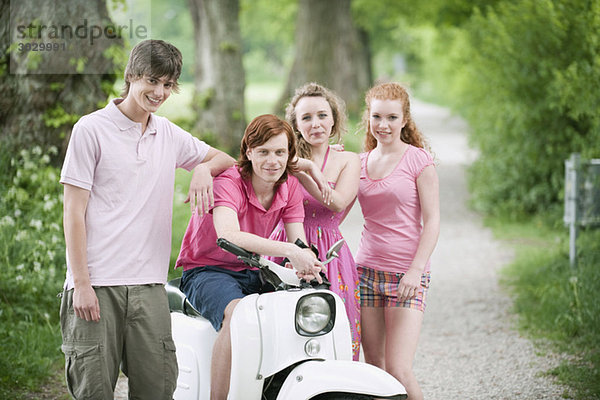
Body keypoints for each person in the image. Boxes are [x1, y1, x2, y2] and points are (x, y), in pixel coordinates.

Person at [59, 39, 235, 399]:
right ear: (131, 76)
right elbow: (73, 211)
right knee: (93, 391)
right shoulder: (91, 129)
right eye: (152, 81)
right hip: (98, 282)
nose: (159, 92)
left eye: (168, 85)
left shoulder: (167, 134)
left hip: (149, 285)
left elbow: (226, 160)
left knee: (158, 387)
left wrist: (202, 168)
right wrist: (81, 283)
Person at [176, 114, 325, 400]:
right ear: (248, 152)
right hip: (208, 269)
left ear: (289, 154)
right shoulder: (229, 182)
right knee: (238, 314)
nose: (273, 161)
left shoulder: (290, 185)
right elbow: (228, 234)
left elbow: (298, 239)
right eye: (264, 152)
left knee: (295, 310)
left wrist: (305, 260)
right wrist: (290, 251)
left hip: (254, 268)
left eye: (280, 152)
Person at [356, 82, 440, 400]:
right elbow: (333, 202)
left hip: (407, 276)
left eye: (392, 117)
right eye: (377, 117)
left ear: (404, 119)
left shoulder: (419, 161)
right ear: (369, 118)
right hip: (366, 273)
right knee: (374, 367)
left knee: (399, 368)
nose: (383, 125)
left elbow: (432, 222)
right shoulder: (360, 163)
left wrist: (416, 270)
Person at [269, 82, 362, 360]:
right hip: (286, 245)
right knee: (283, 330)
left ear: (334, 118)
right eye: (306, 118)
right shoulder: (285, 157)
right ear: (296, 124)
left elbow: (338, 201)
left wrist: (303, 172)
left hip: (331, 251)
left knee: (335, 329)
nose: (315, 123)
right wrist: (301, 165)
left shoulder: (349, 159)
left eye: (322, 115)